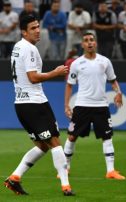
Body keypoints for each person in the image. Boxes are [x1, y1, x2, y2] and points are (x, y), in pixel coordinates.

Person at [4, 15, 74, 196]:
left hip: (23, 104)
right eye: (33, 28)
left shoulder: (18, 47)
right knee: (55, 142)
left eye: (38, 27)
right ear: (24, 31)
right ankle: (66, 187)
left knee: (43, 146)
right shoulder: (29, 49)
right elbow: (33, 77)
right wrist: (55, 72)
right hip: (34, 104)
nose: (37, 30)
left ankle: (14, 178)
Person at [63, 32, 126, 180]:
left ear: (95, 43)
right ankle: (65, 168)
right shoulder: (76, 63)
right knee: (72, 136)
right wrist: (66, 105)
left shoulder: (105, 61)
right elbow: (69, 85)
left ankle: (110, 171)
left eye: (91, 40)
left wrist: (118, 92)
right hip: (82, 105)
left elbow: (113, 80)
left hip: (101, 106)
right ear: (82, 45)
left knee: (107, 137)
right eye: (86, 40)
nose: (89, 42)